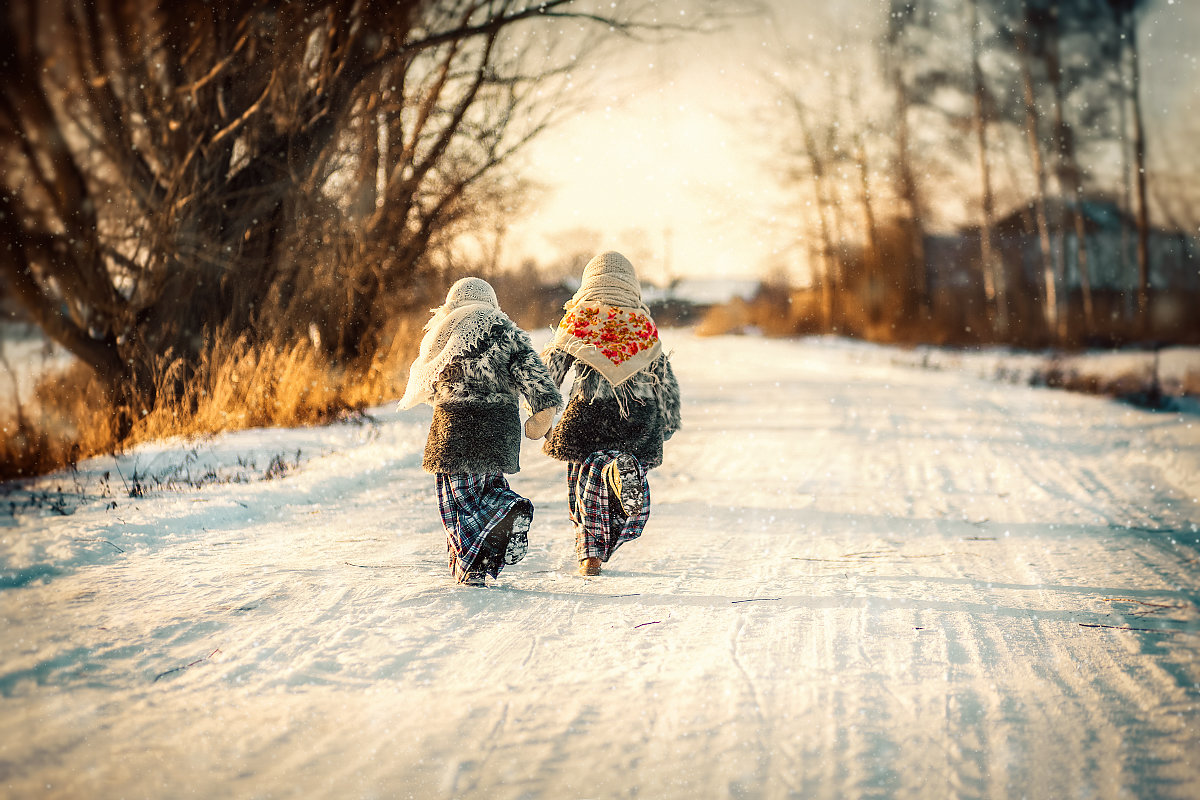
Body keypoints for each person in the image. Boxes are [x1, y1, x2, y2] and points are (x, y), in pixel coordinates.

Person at [399, 277, 562, 586]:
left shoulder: (444, 333)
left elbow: (429, 380)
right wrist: (543, 409)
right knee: (486, 489)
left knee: (459, 502)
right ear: (492, 304)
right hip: (499, 429)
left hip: (453, 429)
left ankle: (508, 511)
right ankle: (477, 565)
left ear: (451, 304)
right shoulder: (505, 332)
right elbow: (533, 373)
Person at [531, 251, 681, 576]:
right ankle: (617, 477)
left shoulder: (580, 318)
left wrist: (542, 408)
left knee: (581, 484)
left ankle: (590, 555)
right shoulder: (641, 325)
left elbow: (550, 369)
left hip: (588, 414)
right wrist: (666, 424)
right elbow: (665, 380)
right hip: (639, 419)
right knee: (625, 488)